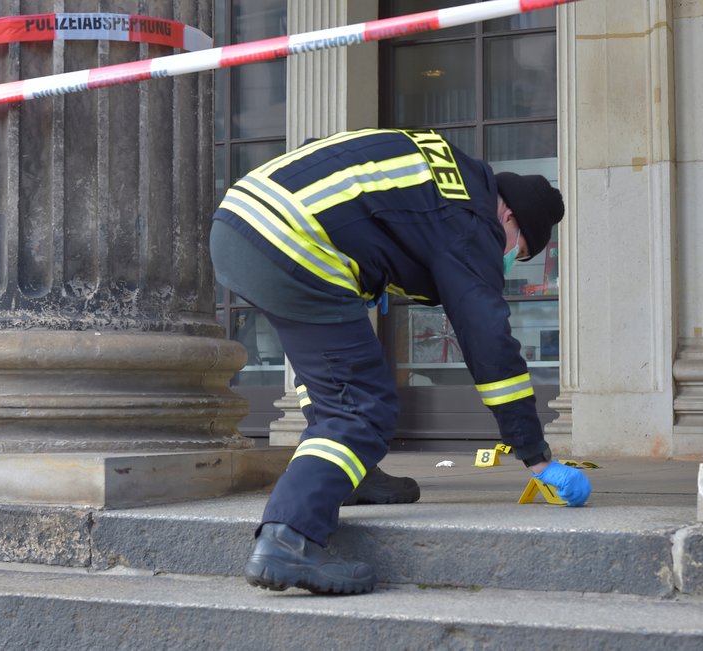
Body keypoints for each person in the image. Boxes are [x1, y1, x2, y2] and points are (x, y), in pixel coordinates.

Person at [209, 128, 591, 596]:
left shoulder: (446, 175)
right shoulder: (473, 220)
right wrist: (534, 455)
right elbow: (488, 340)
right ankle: (289, 538)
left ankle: (351, 476)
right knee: (360, 406)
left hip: (240, 224)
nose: (508, 259)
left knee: (335, 379)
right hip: (296, 239)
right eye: (519, 249)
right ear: (509, 217)